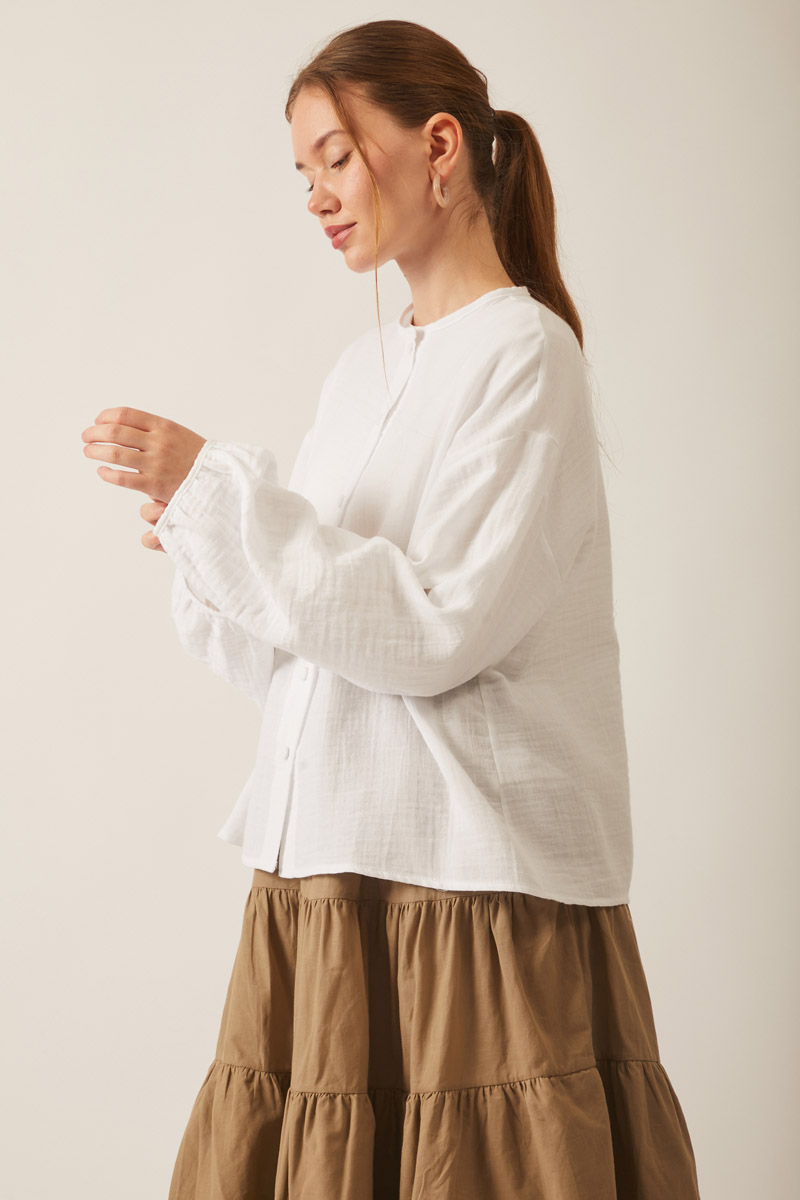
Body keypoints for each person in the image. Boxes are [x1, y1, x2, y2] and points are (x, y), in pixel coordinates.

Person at [80, 18, 702, 1199]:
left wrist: (229, 499)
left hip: (464, 893)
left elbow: (430, 632)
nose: (316, 194)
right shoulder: (359, 372)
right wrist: (206, 536)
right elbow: (313, 657)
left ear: (439, 146)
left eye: (335, 155)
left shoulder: (524, 357)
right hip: (325, 882)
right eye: (301, 171)